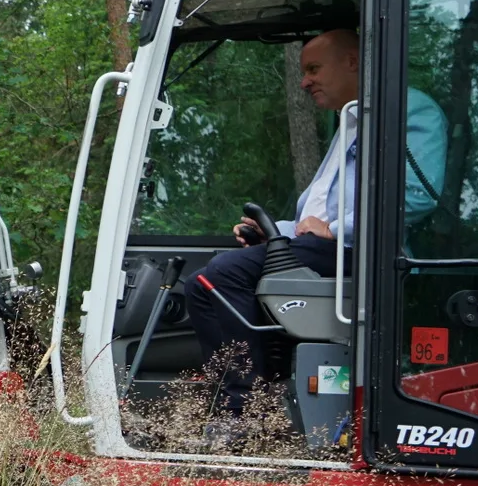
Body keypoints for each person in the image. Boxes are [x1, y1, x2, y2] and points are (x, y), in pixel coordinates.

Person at [181, 27, 447, 417]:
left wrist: (336, 230)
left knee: (224, 274)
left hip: (368, 252)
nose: (305, 82)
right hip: (327, 246)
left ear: (352, 62)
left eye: (314, 69)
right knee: (201, 283)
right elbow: (318, 215)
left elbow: (417, 195)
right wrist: (277, 233)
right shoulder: (351, 119)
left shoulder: (405, 110)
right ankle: (251, 402)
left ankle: (243, 413)